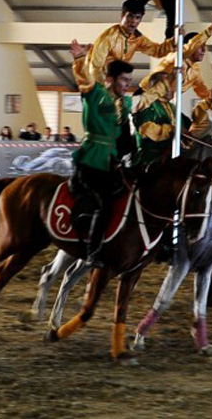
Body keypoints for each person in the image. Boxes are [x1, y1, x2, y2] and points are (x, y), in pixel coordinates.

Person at [69, 41, 136, 267]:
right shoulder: (95, 93)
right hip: (92, 159)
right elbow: (84, 79)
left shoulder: (124, 103)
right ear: (111, 79)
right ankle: (92, 251)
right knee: (106, 203)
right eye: (124, 80)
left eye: (129, 80)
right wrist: (80, 59)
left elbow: (124, 134)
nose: (128, 84)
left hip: (110, 160)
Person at [75, 0, 175, 87]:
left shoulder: (138, 38)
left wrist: (175, 41)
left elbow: (157, 51)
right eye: (130, 16)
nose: (133, 22)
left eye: (137, 18)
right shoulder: (109, 37)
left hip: (117, 84)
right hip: (98, 84)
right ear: (122, 16)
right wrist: (103, 89)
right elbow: (96, 66)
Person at [137, 15, 212, 104]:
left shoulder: (195, 71)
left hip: (162, 102)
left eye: (204, 46)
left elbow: (203, 92)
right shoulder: (176, 57)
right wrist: (211, 28)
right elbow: (189, 48)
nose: (203, 50)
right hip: (146, 94)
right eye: (200, 46)